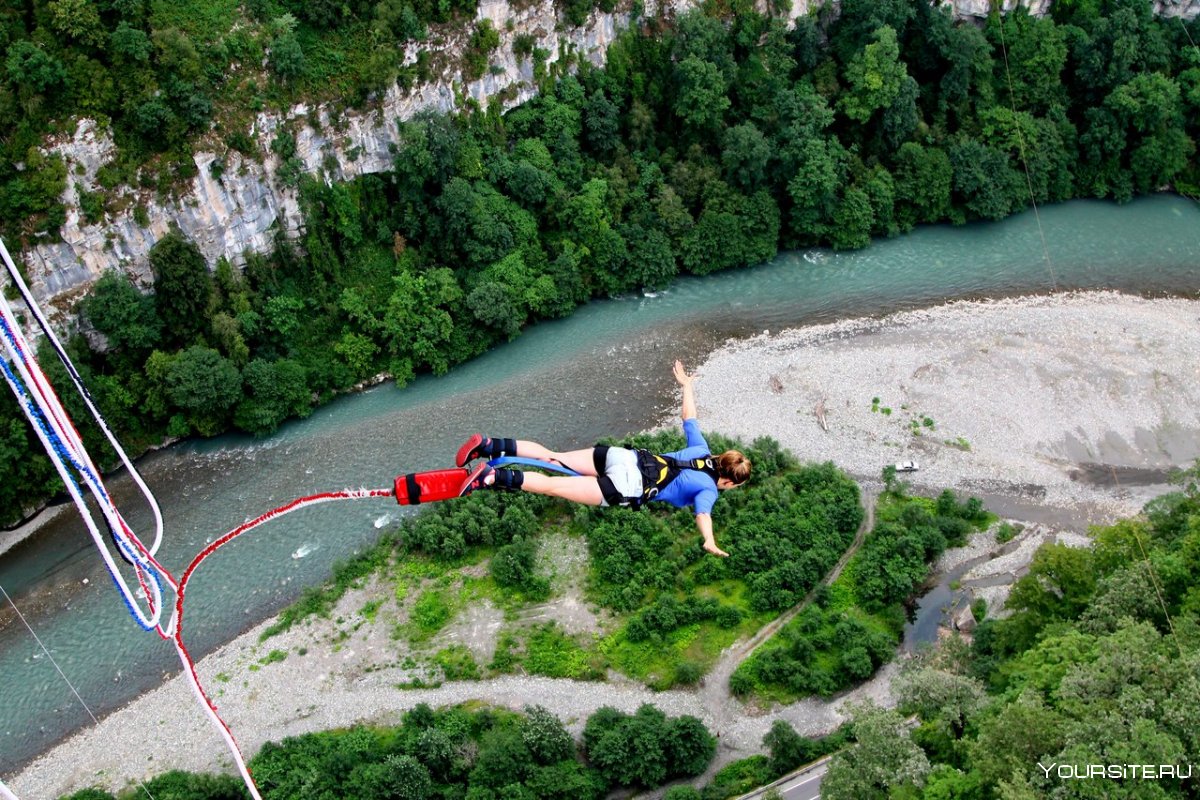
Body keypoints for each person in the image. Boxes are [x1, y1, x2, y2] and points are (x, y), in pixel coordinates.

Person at [457, 360, 751, 557]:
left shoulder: (701, 450)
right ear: (727, 480)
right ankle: (491, 477)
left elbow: (689, 416)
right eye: (733, 486)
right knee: (552, 486)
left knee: (552, 456)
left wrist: (687, 385)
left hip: (623, 457)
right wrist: (709, 540)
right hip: (627, 486)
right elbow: (703, 515)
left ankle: (488, 445)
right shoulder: (709, 490)